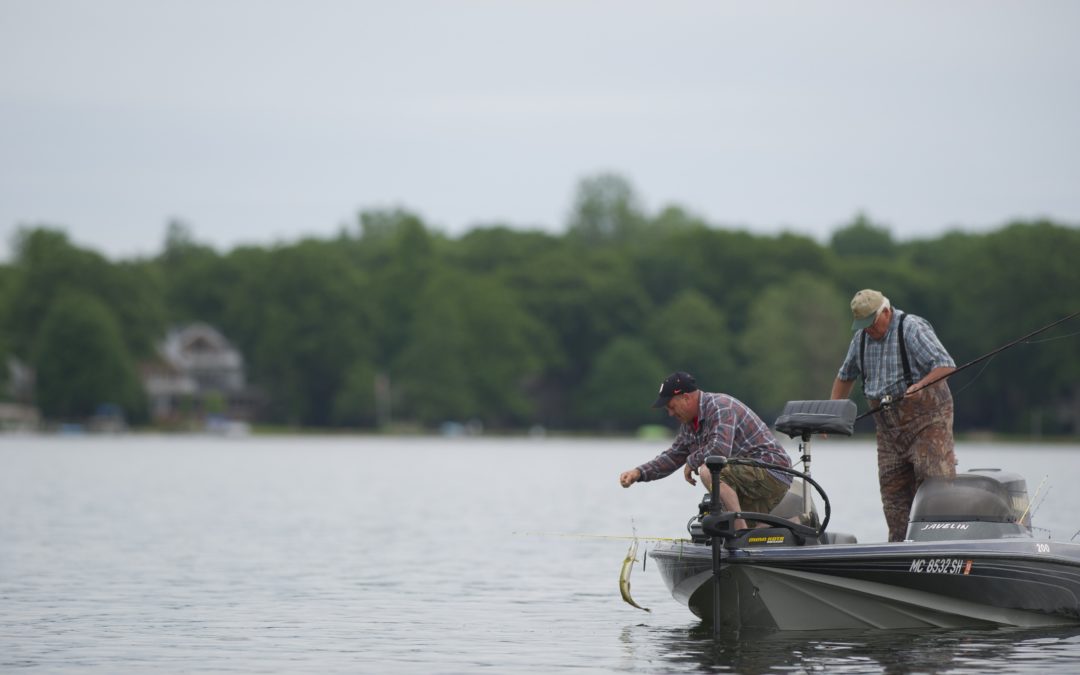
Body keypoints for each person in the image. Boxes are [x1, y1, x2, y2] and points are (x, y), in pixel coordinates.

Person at [830, 289, 958, 542]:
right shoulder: (861, 340)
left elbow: (946, 364)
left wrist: (921, 386)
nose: (868, 330)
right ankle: (900, 547)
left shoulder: (911, 328)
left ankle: (940, 544)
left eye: (872, 324)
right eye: (863, 325)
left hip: (927, 422)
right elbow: (845, 376)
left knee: (933, 486)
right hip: (888, 430)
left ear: (886, 312)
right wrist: (831, 416)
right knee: (893, 496)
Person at [618, 371, 793, 529]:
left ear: (686, 398)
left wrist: (692, 461)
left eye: (671, 407)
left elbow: (719, 450)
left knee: (709, 470)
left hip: (773, 471)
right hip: (749, 478)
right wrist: (638, 473)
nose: (670, 414)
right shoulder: (689, 425)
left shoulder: (721, 407)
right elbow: (672, 456)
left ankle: (739, 533)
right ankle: (794, 522)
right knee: (744, 530)